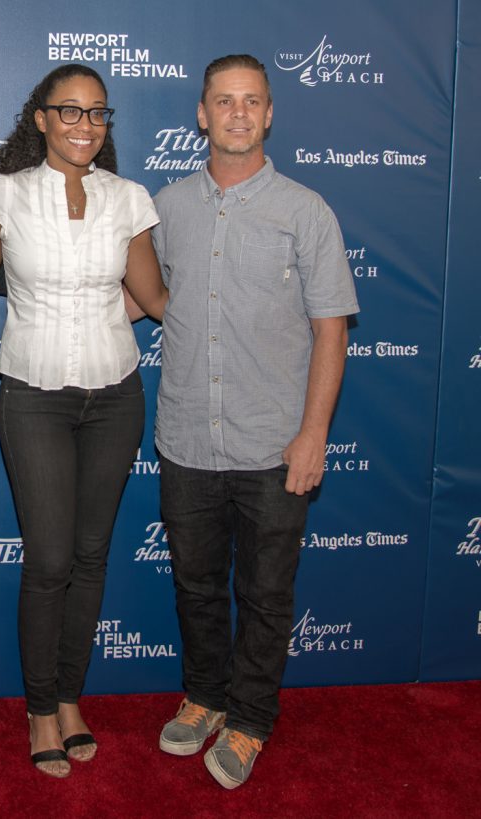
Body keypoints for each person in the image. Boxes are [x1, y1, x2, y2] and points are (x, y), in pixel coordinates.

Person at [149, 55, 359, 789]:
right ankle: (205, 695)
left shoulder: (307, 211)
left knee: (267, 593)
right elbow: (152, 297)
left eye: (252, 102)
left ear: (269, 115)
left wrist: (313, 434)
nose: (237, 113)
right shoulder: (167, 206)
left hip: (274, 442)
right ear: (201, 115)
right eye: (223, 102)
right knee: (195, 584)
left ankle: (250, 718)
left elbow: (331, 330)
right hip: (185, 437)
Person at [0, 64, 164, 778]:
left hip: (116, 395)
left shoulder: (130, 198)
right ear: (41, 118)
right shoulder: (4, 193)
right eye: (69, 111)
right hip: (35, 394)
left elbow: (155, 298)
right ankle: (40, 707)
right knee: (49, 561)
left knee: (89, 556)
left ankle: (73, 696)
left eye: (98, 113)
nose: (85, 125)